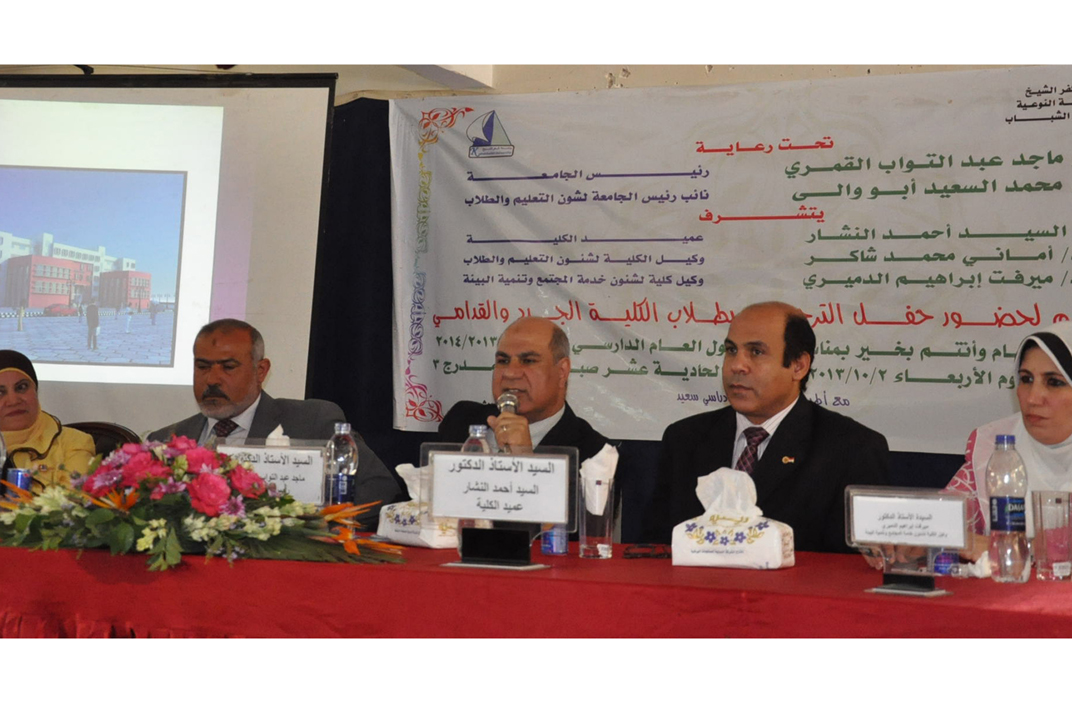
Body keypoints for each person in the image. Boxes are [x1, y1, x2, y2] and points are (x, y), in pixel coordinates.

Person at [641, 301, 891, 553]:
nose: (737, 365)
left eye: (756, 352)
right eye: (731, 350)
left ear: (798, 366)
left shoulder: (851, 449)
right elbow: (655, 547)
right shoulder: (685, 439)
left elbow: (858, 562)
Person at [147, 319, 402, 522]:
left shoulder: (312, 422)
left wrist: (300, 524)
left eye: (228, 367)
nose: (212, 379)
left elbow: (379, 489)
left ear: (261, 371)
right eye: (202, 367)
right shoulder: (165, 441)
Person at [945, 322, 1072, 560]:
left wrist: (999, 548)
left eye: (1054, 382)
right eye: (1026, 379)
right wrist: (908, 535)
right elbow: (944, 517)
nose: (1032, 398)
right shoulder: (997, 446)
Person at [437, 316, 608, 462]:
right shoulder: (461, 420)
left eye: (528, 361)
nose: (510, 373)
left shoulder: (595, 453)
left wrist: (525, 457)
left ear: (562, 372)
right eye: (503, 361)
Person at [0, 350, 95, 488]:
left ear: (35, 390)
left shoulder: (73, 442)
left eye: (22, 387)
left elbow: (73, 498)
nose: (13, 401)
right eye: (0, 392)